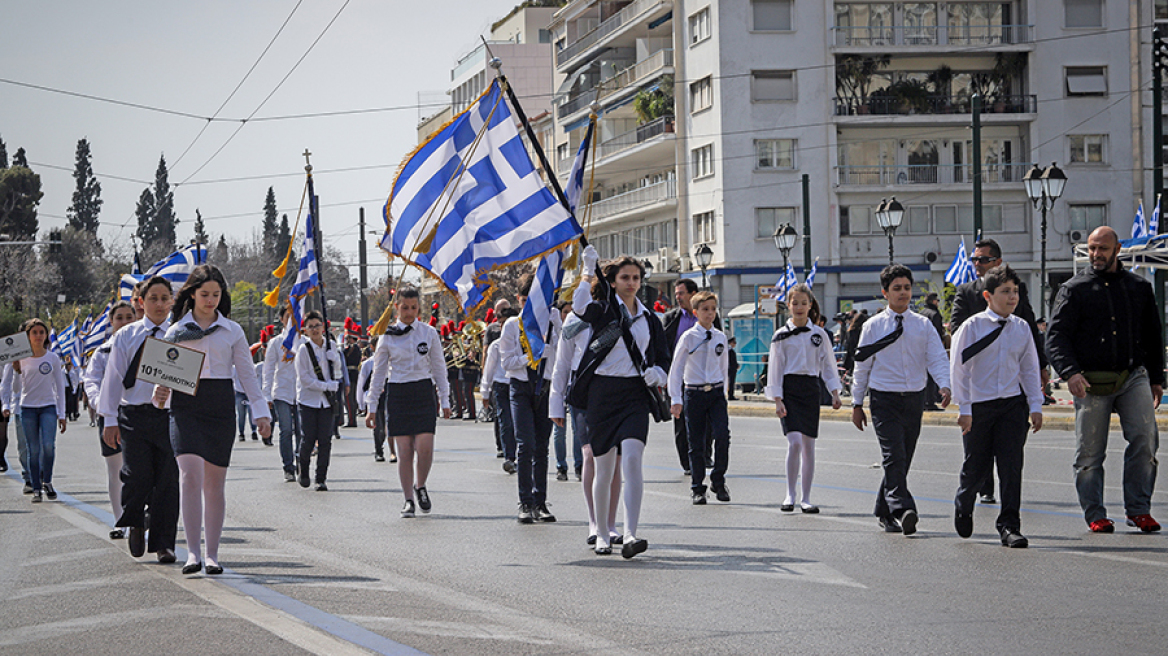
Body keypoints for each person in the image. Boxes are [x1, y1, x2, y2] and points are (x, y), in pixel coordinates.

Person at [152, 265, 272, 575]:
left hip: (220, 406)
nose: (210, 300)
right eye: (204, 294)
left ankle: (213, 554)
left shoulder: (232, 331)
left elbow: (246, 373)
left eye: (216, 295)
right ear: (191, 294)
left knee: (214, 483)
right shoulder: (175, 331)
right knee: (190, 475)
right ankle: (192, 553)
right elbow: (161, 374)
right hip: (185, 406)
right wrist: (159, 391)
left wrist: (260, 412)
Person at [1046, 226, 1163, 533]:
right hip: (1089, 381)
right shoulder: (1073, 289)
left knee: (1146, 441)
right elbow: (1056, 337)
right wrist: (1070, 373)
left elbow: (1153, 335)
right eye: (1092, 249)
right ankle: (1095, 512)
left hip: (1133, 375)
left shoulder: (1139, 287)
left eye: (1102, 249)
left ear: (1118, 249)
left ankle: (1139, 509)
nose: (1096, 255)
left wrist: (1157, 378)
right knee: (1089, 452)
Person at [572, 246, 670, 558]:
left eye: (636, 278)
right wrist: (588, 270)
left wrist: (658, 373)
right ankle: (602, 532)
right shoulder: (603, 311)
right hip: (602, 394)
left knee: (632, 460)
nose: (631, 282)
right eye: (625, 277)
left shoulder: (650, 319)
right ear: (613, 281)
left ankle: (630, 534)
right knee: (604, 468)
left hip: (635, 396)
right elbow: (577, 308)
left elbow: (663, 359)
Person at [851, 264, 951, 536]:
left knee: (903, 459)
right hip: (884, 399)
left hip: (914, 398)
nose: (903, 293)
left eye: (907, 287)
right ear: (885, 293)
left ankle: (883, 510)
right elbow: (862, 366)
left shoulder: (923, 326)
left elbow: (937, 357)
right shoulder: (872, 326)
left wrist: (944, 385)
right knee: (893, 456)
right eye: (897, 288)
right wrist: (857, 404)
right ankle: (903, 508)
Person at [950, 265, 1043, 548]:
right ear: (988, 296)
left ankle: (1009, 526)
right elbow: (959, 370)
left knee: (1011, 467)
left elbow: (1029, 368)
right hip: (979, 406)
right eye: (1005, 292)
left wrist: (1035, 404)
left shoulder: (1021, 327)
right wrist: (964, 408)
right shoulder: (972, 327)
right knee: (976, 468)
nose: (1012, 297)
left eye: (1015, 291)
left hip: (1012, 406)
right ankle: (964, 502)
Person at [99, 278, 180, 562]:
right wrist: (109, 419)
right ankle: (134, 522)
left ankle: (163, 543)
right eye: (153, 298)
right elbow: (112, 380)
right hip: (134, 415)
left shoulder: (180, 333)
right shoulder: (126, 336)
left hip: (170, 416)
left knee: (167, 481)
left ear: (172, 301)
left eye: (164, 298)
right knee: (136, 476)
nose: (159, 304)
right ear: (141, 302)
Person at [365, 287, 452, 518]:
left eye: (414, 308)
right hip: (398, 393)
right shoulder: (386, 335)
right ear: (396, 307)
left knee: (425, 449)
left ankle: (420, 485)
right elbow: (378, 373)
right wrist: (371, 407)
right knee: (404, 452)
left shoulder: (429, 333)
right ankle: (408, 500)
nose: (409, 312)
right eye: (405, 307)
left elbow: (439, 368)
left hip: (423, 391)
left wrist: (445, 399)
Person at [551, 299, 622, 547]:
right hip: (583, 392)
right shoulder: (574, 320)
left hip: (616, 392)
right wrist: (555, 402)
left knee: (615, 459)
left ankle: (610, 524)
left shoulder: (621, 314)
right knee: (590, 454)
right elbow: (562, 363)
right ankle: (594, 521)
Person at [766, 284, 842, 513]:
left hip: (811, 388)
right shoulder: (780, 335)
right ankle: (790, 494)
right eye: (795, 303)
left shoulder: (819, 334)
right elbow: (775, 368)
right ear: (788, 305)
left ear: (810, 305)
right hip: (789, 389)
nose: (799, 307)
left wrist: (835, 391)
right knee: (795, 441)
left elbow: (828, 364)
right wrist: (777, 399)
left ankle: (806, 498)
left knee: (809, 445)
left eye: (803, 303)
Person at [499, 272, 561, 523]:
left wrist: (556, 326)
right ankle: (524, 501)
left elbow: (563, 356)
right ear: (519, 300)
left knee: (542, 447)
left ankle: (540, 501)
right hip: (521, 387)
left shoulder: (550, 323)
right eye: (526, 301)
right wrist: (531, 356)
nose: (531, 306)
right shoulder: (512, 325)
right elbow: (507, 362)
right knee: (525, 444)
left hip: (544, 387)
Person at [669, 290, 734, 505]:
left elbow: (723, 366)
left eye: (713, 309)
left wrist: (724, 392)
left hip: (715, 393)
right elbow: (676, 368)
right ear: (696, 312)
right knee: (695, 441)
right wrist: (675, 398)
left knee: (722, 435)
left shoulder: (720, 337)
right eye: (705, 309)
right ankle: (698, 486)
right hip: (694, 392)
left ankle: (718, 478)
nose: (710, 313)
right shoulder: (689, 337)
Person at [82, 300, 137, 539]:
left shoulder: (147, 346)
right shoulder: (103, 352)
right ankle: (120, 521)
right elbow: (91, 381)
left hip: (139, 415)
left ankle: (141, 517)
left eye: (128, 317)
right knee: (115, 471)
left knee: (141, 470)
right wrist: (100, 404)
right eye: (120, 318)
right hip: (111, 415)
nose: (124, 322)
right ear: (111, 322)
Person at [1, 318, 67, 503]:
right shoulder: (18, 357)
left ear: (46, 335)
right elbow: (7, 385)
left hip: (47, 406)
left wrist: (62, 414)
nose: (38, 336)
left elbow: (60, 388)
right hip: (27, 408)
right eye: (34, 332)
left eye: (41, 332)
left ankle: (47, 481)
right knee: (32, 449)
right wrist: (5, 405)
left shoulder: (52, 358)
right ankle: (35, 486)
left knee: (48, 446)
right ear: (27, 336)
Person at [661, 279, 719, 475]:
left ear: (693, 294)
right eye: (676, 294)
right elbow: (662, 347)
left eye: (681, 293)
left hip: (705, 377)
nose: (678, 297)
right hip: (679, 376)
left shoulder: (709, 317)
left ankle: (705, 456)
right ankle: (687, 462)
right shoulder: (670, 319)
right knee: (681, 420)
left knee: (708, 421)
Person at [295, 310, 344, 491]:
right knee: (308, 439)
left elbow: (338, 373)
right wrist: (327, 386)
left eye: (317, 326)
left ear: (323, 327)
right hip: (308, 400)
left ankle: (321, 477)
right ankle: (304, 470)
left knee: (325, 440)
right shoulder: (303, 350)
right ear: (305, 330)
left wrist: (335, 362)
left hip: (327, 402)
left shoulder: (330, 346)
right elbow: (305, 379)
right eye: (311, 327)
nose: (315, 330)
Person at [263, 305, 302, 482]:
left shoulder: (303, 341)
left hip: (302, 393)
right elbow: (268, 370)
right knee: (286, 430)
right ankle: (288, 466)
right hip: (282, 392)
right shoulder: (275, 343)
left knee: (302, 431)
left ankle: (302, 462)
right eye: (288, 316)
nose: (291, 320)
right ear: (281, 319)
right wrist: (266, 395)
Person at [480, 307, 517, 472]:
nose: (503, 327)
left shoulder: (522, 342)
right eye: (501, 324)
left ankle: (520, 455)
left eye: (506, 323)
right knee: (505, 421)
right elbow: (489, 369)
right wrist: (485, 392)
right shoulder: (495, 345)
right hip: (501, 385)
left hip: (517, 383)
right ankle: (509, 456)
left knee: (518, 422)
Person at [550, 302, 581, 481]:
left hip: (574, 384)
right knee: (559, 429)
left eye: (571, 311)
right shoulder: (555, 333)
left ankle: (579, 465)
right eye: (564, 312)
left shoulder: (578, 328)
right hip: (558, 383)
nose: (567, 314)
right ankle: (561, 465)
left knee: (578, 429)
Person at [356, 338, 397, 463]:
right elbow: (361, 383)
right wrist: (361, 403)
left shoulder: (392, 361)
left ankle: (392, 451)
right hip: (374, 395)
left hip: (389, 394)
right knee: (377, 425)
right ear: (372, 347)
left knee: (388, 424)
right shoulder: (368, 363)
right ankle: (378, 450)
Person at [917, 292, 948, 412]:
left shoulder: (921, 313)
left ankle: (924, 400)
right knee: (931, 376)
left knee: (923, 375)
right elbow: (937, 334)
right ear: (934, 301)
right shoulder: (935, 314)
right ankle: (930, 401)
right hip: (931, 348)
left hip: (920, 347)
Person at [2, 364, 30, 493]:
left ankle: (39, 473)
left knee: (43, 444)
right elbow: (12, 386)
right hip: (18, 404)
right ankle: (28, 476)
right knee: (23, 445)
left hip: (41, 404)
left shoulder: (45, 355)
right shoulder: (12, 360)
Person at [343, 333, 362, 428]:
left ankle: (351, 420)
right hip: (353, 375)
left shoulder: (352, 349)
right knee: (351, 399)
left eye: (348, 338)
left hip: (350, 375)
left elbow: (344, 356)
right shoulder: (355, 348)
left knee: (349, 400)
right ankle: (352, 419)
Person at [726, 336, 739, 401]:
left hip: (731, 368)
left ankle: (730, 394)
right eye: (734, 342)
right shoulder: (730, 350)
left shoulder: (729, 350)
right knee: (731, 382)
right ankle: (730, 395)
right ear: (731, 343)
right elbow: (732, 361)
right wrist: (736, 365)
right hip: (731, 368)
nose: (735, 344)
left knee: (731, 382)